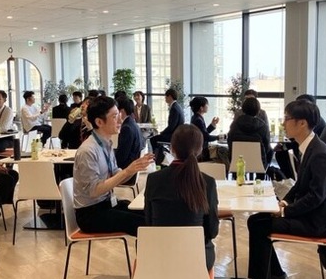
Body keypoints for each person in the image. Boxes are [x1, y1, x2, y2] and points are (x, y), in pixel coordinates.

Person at [234, 99, 326, 279]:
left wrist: (285, 211)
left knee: (259, 225)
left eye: (287, 119)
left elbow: (316, 197)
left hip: (314, 223)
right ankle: (276, 275)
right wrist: (284, 202)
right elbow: (299, 186)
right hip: (309, 215)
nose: (283, 123)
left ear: (302, 123)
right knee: (256, 220)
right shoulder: (311, 147)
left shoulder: (320, 154)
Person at [73, 96, 154, 236]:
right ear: (99, 122)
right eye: (115, 116)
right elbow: (94, 191)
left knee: (150, 214)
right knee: (142, 224)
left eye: (119, 115)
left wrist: (133, 169)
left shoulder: (107, 143)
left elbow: (116, 174)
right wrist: (127, 171)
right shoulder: (88, 151)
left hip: (107, 203)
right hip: (90, 214)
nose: (120, 120)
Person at [144, 124, 219, 270]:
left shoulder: (154, 179)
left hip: (160, 257)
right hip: (196, 260)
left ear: (172, 148)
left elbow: (149, 223)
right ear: (200, 150)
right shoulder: (207, 182)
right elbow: (212, 231)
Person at [227, 96, 273, 169]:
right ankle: (265, 173)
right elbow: (267, 147)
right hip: (259, 163)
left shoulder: (235, 124)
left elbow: (229, 141)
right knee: (271, 152)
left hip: (238, 161)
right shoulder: (263, 126)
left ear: (243, 109)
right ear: (258, 110)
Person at [115, 97, 145, 176]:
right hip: (133, 166)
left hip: (127, 170)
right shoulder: (132, 123)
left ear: (121, 111)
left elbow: (121, 157)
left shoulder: (126, 128)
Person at [189, 96, 219, 161]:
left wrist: (212, 125)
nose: (208, 106)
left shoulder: (195, 117)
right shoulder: (198, 120)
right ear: (201, 108)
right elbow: (205, 137)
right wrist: (218, 137)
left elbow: (203, 133)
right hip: (201, 151)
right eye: (206, 104)